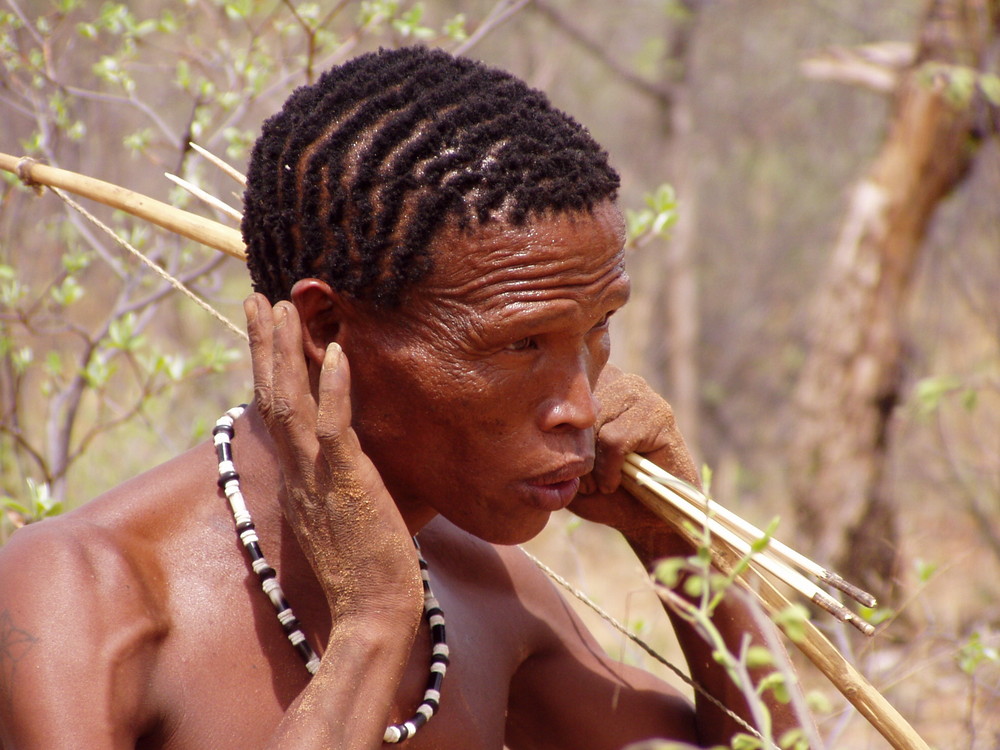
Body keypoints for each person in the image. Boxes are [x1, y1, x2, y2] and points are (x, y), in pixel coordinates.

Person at [0, 46, 808, 749]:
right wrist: (371, 627)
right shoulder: (77, 595)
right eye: (520, 344)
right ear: (327, 325)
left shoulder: (487, 590)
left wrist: (679, 543)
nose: (582, 409)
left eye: (598, 330)